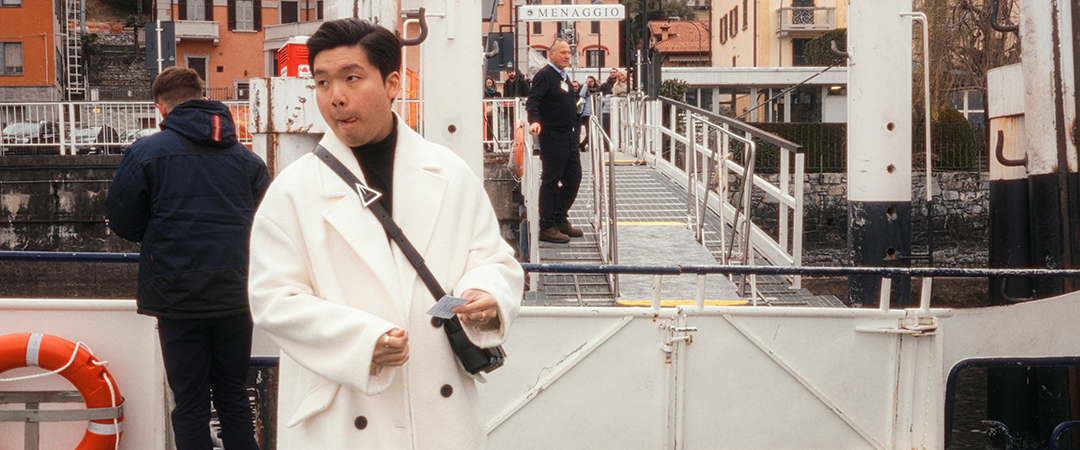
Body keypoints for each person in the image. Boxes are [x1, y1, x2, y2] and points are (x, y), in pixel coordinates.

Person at [246, 18, 523, 449]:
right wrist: (362, 342)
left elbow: (491, 259)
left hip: (440, 412)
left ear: (393, 82)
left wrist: (487, 297)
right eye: (322, 82)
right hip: (341, 413)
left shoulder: (449, 173)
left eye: (351, 78)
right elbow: (272, 299)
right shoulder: (292, 190)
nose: (335, 97)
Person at [105, 66, 268, 450]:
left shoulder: (146, 153)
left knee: (191, 404)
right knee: (232, 396)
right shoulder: (247, 161)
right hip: (236, 294)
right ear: (203, 95)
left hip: (177, 296)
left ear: (161, 108)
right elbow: (268, 226)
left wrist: (162, 236)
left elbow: (123, 219)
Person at [527, 39, 584, 244]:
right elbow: (533, 100)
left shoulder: (563, 76)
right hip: (553, 136)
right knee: (551, 180)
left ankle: (560, 217)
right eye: (562, 53)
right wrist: (534, 121)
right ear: (551, 54)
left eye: (568, 53)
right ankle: (547, 225)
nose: (567, 56)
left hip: (569, 137)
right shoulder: (545, 75)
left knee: (574, 178)